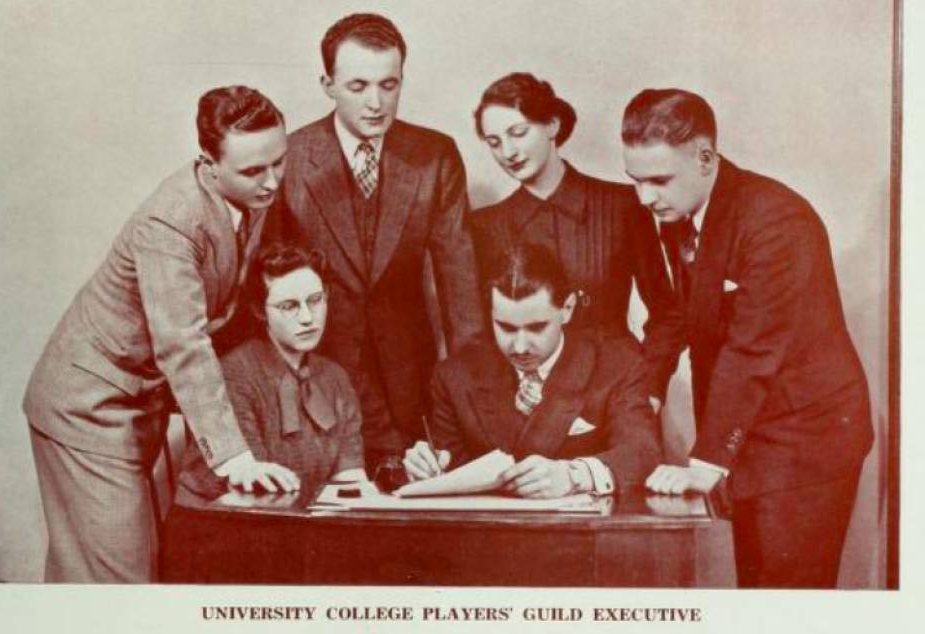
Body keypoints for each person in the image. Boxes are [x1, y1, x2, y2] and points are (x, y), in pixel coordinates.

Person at [23, 86, 294, 582]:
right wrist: (233, 457)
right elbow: (183, 345)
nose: (272, 182)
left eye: (279, 161)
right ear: (208, 165)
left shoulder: (247, 197)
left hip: (132, 402)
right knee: (118, 580)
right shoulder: (169, 223)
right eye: (254, 170)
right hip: (86, 407)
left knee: (94, 576)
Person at [622, 88, 873, 587]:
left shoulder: (777, 222)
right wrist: (645, 393)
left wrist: (708, 458)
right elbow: (677, 314)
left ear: (705, 157)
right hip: (749, 436)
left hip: (805, 442)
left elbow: (753, 350)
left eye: (658, 180)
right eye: (636, 181)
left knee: (788, 602)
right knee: (754, 592)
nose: (646, 198)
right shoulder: (680, 211)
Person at [268, 13, 482, 475]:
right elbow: (267, 286)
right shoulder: (288, 158)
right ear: (327, 83)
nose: (376, 103)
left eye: (389, 85)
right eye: (359, 86)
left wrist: (472, 399)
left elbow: (460, 289)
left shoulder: (434, 155)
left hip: (410, 378)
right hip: (318, 372)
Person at [471, 73, 678, 407]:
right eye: (494, 142)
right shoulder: (485, 226)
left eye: (518, 133)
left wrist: (650, 390)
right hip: (532, 406)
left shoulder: (623, 205)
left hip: (621, 394)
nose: (508, 151)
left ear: (552, 125)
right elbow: (484, 335)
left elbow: (668, 315)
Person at [403, 243, 660, 498]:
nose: (520, 346)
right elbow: (452, 470)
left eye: (536, 327)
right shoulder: (455, 376)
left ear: (567, 308)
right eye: (505, 327)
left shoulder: (617, 366)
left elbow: (642, 452)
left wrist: (573, 476)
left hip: (577, 535)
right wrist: (429, 468)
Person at [177, 243, 367, 500]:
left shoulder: (335, 378)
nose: (308, 318)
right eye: (289, 306)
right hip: (228, 517)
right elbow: (253, 487)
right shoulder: (235, 374)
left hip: (300, 520)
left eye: (315, 300)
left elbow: (350, 481)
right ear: (259, 311)